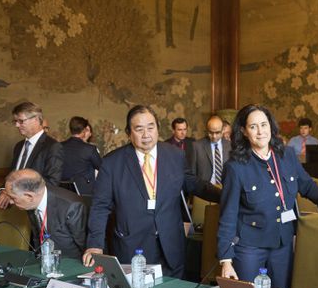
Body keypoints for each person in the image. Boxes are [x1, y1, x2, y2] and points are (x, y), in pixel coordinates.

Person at [217, 104, 318, 288]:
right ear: (243, 131)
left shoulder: (287, 155)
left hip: (281, 244)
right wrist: (226, 259)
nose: (260, 132)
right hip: (249, 247)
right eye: (253, 127)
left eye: (264, 125)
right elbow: (228, 214)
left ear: (271, 126)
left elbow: (306, 184)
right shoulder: (235, 167)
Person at [83, 105, 220, 276]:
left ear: (157, 128)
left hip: (171, 246)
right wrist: (95, 244)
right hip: (132, 247)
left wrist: (225, 195)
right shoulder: (112, 163)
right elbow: (100, 206)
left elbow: (193, 183)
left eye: (151, 127)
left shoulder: (175, 156)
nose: (146, 135)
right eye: (139, 129)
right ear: (128, 132)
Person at [3, 169, 86, 259]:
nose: (11, 202)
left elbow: (85, 247)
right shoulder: (30, 202)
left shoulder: (71, 207)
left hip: (70, 263)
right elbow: (37, 236)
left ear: (29, 196)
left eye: (13, 198)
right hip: (45, 262)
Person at [0, 102, 64, 209]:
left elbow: (52, 182)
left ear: (36, 120)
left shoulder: (52, 146)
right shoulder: (18, 146)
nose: (17, 125)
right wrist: (3, 191)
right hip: (14, 209)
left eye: (21, 121)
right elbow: (13, 176)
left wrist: (17, 196)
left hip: (36, 209)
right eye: (15, 121)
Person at [61, 116, 102, 195]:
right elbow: (102, 167)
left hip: (64, 190)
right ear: (83, 131)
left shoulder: (59, 146)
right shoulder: (90, 149)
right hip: (84, 192)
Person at [188, 115, 231, 186]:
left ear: (222, 130)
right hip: (204, 191)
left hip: (226, 188)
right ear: (207, 130)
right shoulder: (197, 146)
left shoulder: (230, 146)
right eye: (211, 133)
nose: (214, 136)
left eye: (217, 132)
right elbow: (192, 173)